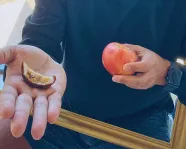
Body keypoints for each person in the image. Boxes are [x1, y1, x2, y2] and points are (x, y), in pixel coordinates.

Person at [0, 0, 186, 148]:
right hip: (60, 106)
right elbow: (40, 38)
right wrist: (30, 62)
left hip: (144, 121)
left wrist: (165, 72)